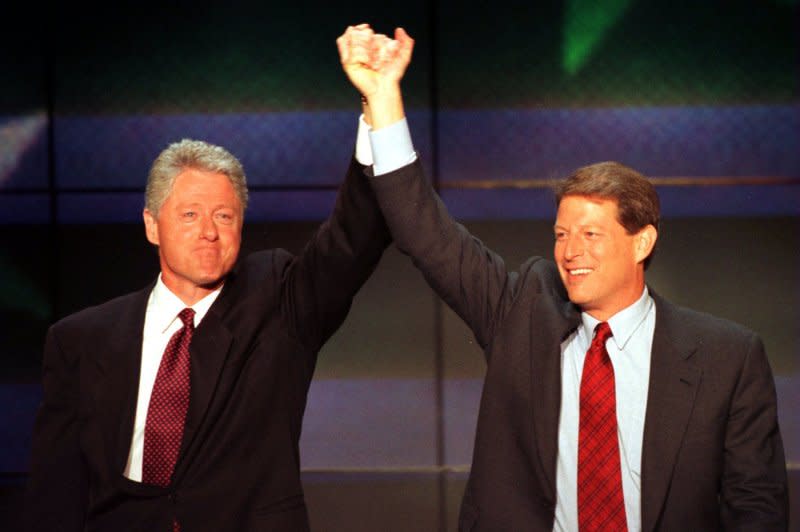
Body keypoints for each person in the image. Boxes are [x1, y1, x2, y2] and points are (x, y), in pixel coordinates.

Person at [337, 24, 789, 531]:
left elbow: (758, 508)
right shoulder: (521, 313)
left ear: (642, 242)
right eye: (560, 234)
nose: (570, 252)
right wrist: (381, 96)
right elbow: (426, 233)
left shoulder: (726, 357)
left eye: (591, 235)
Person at [24, 133, 391, 531]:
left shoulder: (276, 301)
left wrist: (379, 110)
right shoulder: (81, 339)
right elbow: (55, 496)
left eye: (223, 216)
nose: (209, 232)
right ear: (151, 225)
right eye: (190, 214)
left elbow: (349, 244)